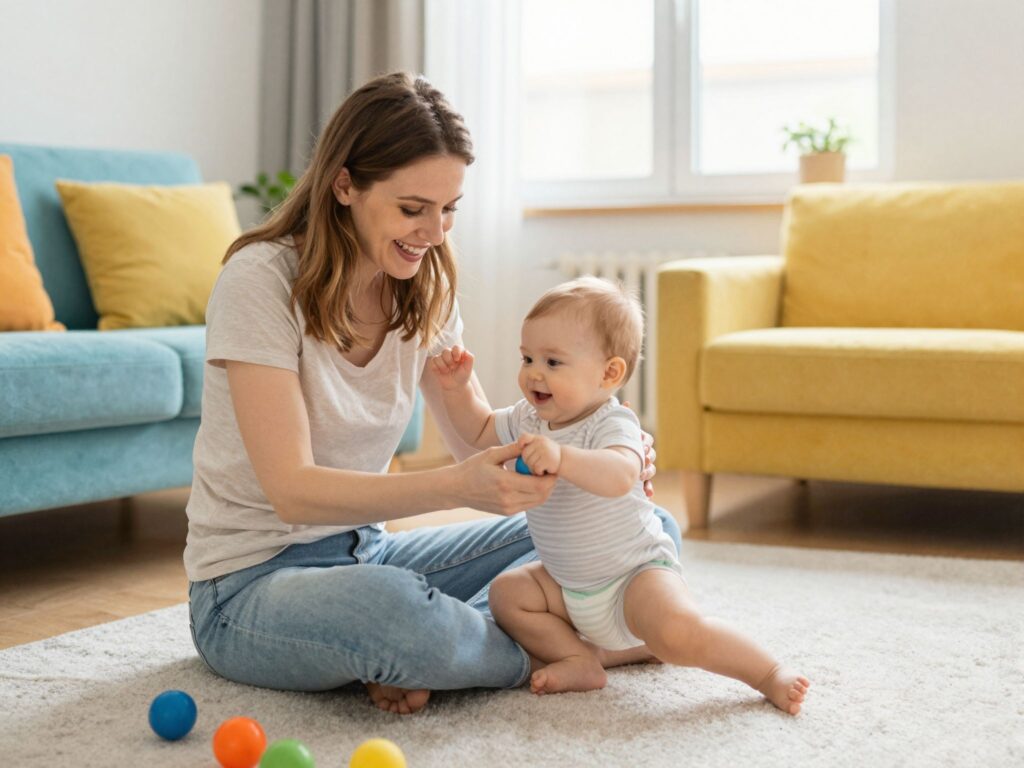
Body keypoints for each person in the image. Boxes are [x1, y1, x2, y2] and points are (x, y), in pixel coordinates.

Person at [184, 72, 680, 716]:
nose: (436, 232)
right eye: (413, 209)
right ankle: (536, 649)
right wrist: (456, 487)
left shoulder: (423, 286)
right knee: (392, 616)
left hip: (370, 550)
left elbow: (472, 434)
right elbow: (292, 488)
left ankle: (444, 652)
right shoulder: (261, 281)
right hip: (249, 586)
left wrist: (595, 457)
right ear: (345, 185)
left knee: (640, 530)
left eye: (449, 209)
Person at [428, 276, 810, 715]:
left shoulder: (610, 423)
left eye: (553, 362)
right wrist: (456, 390)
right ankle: (580, 659)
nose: (534, 372)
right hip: (566, 585)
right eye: (528, 357)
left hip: (634, 575)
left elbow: (620, 473)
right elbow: (477, 431)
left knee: (681, 634)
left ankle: (766, 673)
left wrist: (563, 457)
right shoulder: (528, 418)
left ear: (609, 373)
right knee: (509, 594)